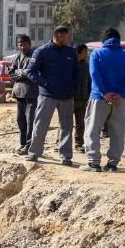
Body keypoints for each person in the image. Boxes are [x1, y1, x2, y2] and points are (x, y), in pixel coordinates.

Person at [83, 27, 125, 172]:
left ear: (104, 40)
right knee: (117, 131)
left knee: (93, 129)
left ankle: (94, 163)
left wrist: (104, 92)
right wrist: (122, 93)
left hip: (100, 98)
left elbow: (94, 74)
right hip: (119, 100)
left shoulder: (97, 54)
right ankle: (113, 164)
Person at [25, 25, 79, 166]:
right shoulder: (42, 51)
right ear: (59, 35)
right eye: (68, 36)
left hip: (67, 96)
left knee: (67, 127)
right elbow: (31, 72)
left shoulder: (71, 52)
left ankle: (66, 156)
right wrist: (46, 84)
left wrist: (73, 87)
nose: (69, 38)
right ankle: (34, 153)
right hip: (47, 96)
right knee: (41, 124)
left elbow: (76, 72)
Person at [8, 35, 38, 155]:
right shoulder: (16, 58)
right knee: (20, 120)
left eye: (24, 44)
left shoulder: (34, 57)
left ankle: (29, 146)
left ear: (29, 44)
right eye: (20, 44)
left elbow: (31, 73)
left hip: (31, 93)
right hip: (19, 93)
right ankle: (22, 143)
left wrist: (20, 73)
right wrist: (22, 73)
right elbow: (11, 74)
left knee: (30, 121)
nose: (22, 47)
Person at [73, 43, 91, 152]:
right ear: (79, 52)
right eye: (85, 52)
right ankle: (60, 143)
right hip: (70, 99)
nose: (87, 54)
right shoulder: (70, 64)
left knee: (81, 124)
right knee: (65, 123)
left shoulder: (87, 66)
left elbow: (90, 82)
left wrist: (88, 95)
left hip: (83, 99)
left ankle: (79, 144)